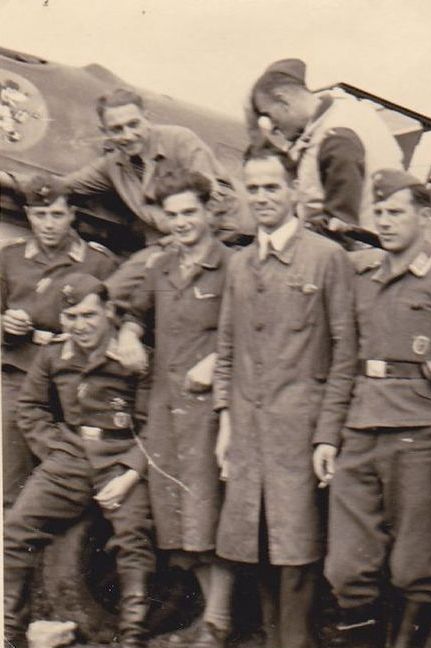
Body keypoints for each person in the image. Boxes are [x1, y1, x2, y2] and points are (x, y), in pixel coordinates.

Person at [322, 169, 431, 648]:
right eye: (379, 212)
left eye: (396, 212)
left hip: (418, 436)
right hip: (359, 432)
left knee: (413, 569)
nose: (385, 221)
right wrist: (327, 435)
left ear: (423, 217)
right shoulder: (362, 278)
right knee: (346, 568)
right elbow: (344, 365)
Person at [212, 144, 357, 648]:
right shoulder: (238, 264)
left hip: (299, 432)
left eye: (272, 186)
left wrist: (327, 436)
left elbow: (345, 354)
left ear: (294, 191)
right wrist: (225, 423)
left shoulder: (327, 258)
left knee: (297, 549)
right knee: (254, 545)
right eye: (253, 188)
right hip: (247, 432)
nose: (262, 197)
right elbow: (226, 350)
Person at [3, 273, 154, 648]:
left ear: (108, 311)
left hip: (120, 460)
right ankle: (10, 632)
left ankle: (132, 636)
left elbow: (155, 424)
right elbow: (30, 407)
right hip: (69, 458)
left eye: (89, 315)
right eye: (71, 317)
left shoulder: (134, 356)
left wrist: (132, 469)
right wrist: (54, 448)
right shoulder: (54, 354)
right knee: (15, 530)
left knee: (133, 536)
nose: (80, 326)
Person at [119, 163, 235, 647]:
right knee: (180, 520)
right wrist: (129, 334)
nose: (182, 222)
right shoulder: (162, 266)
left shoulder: (232, 267)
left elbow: (251, 332)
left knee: (211, 517)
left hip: (210, 413)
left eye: (190, 212)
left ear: (207, 211)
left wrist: (214, 361)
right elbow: (134, 311)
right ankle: (210, 618)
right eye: (173, 214)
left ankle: (218, 624)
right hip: (167, 411)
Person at [0, 87, 248, 301]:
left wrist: (184, 246)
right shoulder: (114, 166)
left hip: (221, 239)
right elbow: (63, 186)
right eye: (117, 129)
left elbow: (215, 199)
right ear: (106, 131)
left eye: (133, 124)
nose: (127, 135)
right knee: (112, 293)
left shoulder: (179, 140)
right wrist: (6, 178)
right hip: (168, 247)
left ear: (146, 117)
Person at [0, 175, 118, 507]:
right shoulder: (9, 258)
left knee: (70, 473)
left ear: (72, 215)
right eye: (40, 215)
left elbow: (116, 319)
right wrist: (5, 323)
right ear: (28, 215)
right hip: (20, 371)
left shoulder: (99, 262)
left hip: (74, 377)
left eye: (56, 214)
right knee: (12, 471)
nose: (49, 224)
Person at [248, 58, 403, 236]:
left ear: (283, 101)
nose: (272, 127)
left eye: (268, 115)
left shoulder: (335, 138)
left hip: (357, 247)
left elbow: (339, 229)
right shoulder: (350, 112)